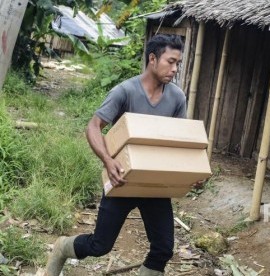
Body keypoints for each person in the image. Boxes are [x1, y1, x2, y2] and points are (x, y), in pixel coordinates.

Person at [45, 34, 189, 276]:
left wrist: (188, 175)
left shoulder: (177, 98)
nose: (175, 69)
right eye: (171, 61)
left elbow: (178, 142)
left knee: (163, 248)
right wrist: (108, 161)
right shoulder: (125, 91)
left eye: (178, 63)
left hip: (154, 184)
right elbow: (93, 126)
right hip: (121, 178)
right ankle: (62, 247)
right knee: (100, 246)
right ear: (152, 59)